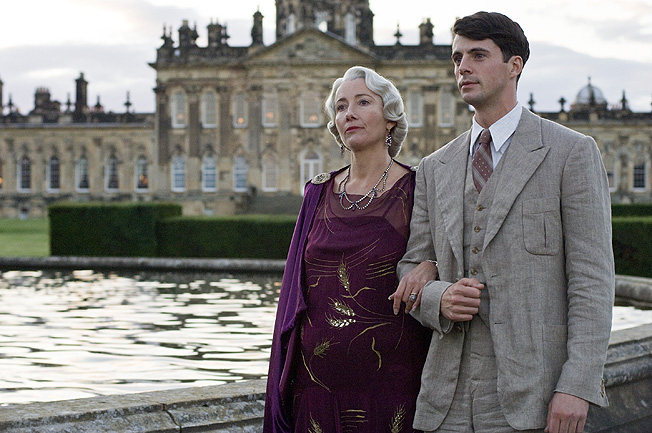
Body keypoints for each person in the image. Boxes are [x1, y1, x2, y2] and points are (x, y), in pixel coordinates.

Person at [395, 11, 615, 433]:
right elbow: (412, 266)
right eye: (458, 57)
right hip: (445, 399)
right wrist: (437, 297)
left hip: (535, 395)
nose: (463, 67)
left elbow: (592, 280)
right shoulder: (434, 167)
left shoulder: (570, 152)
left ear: (515, 65)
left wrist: (578, 385)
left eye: (478, 55)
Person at [264, 66, 436, 433]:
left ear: (390, 119)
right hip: (314, 387)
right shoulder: (317, 192)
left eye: (362, 102)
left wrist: (432, 265)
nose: (349, 113)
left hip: (394, 385)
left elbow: (453, 255)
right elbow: (293, 296)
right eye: (341, 107)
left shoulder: (420, 189)